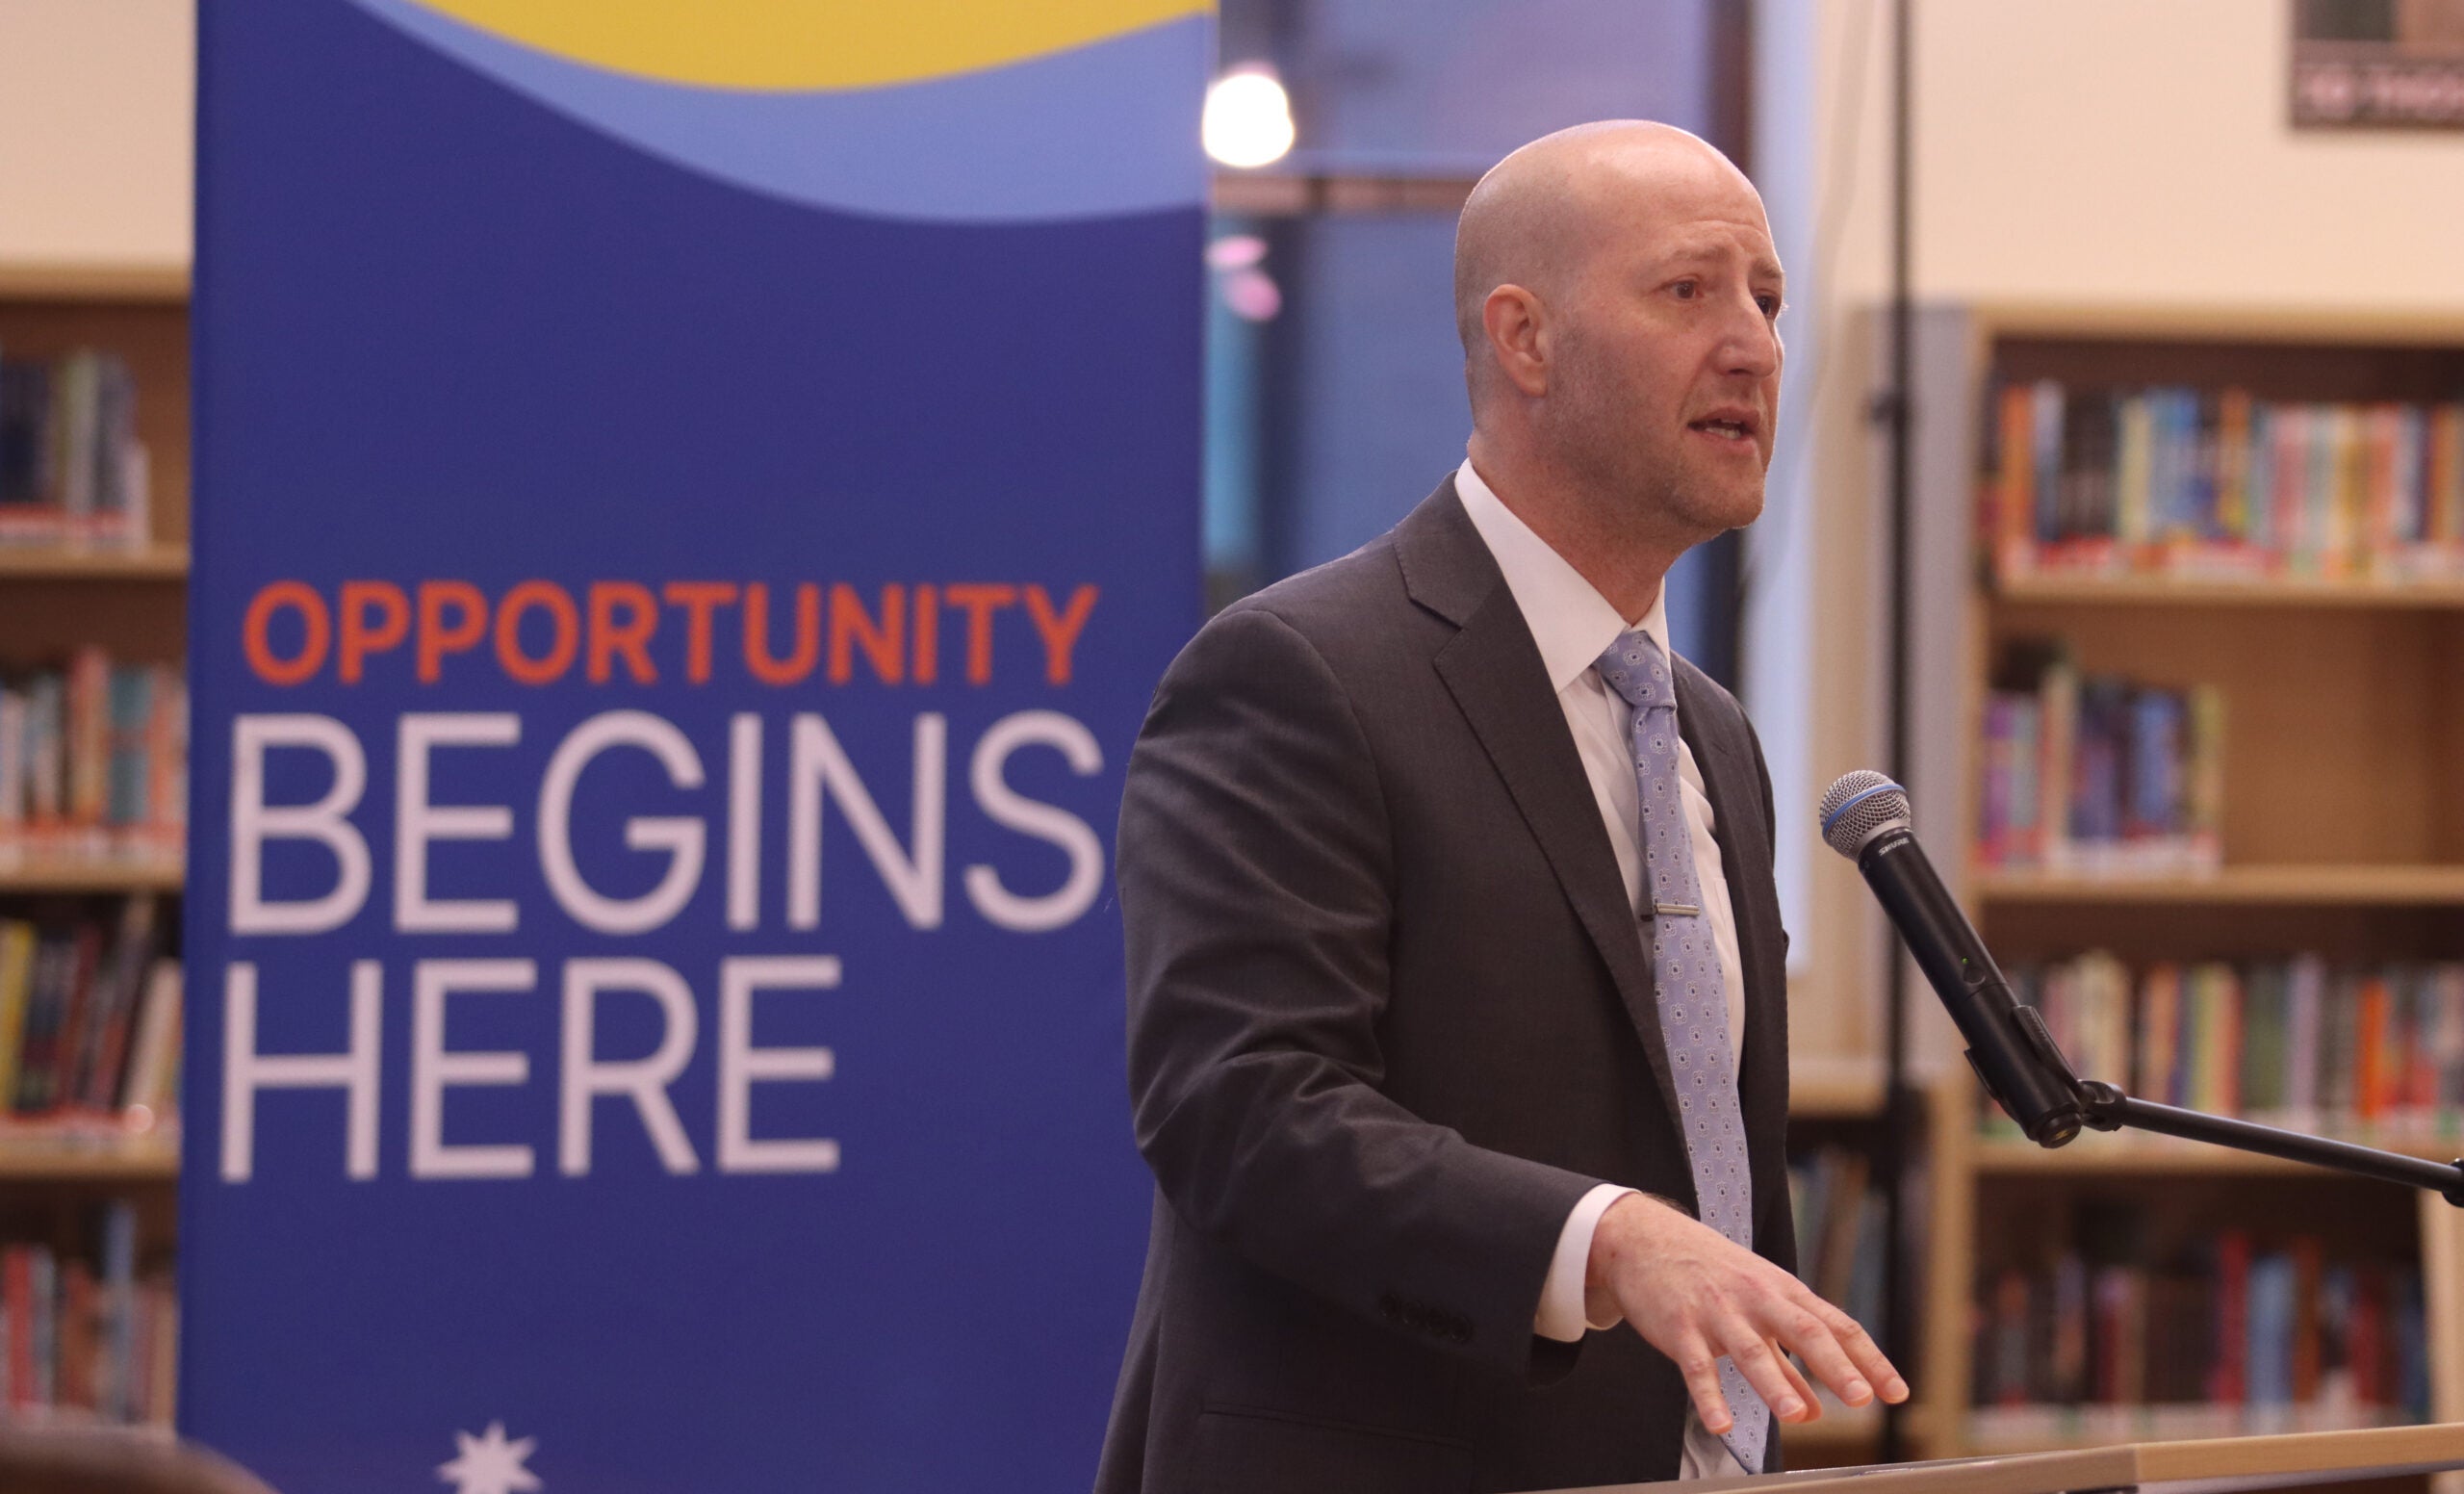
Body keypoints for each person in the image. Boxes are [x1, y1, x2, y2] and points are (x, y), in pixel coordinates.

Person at [1094, 120, 1906, 1494]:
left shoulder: (1711, 736)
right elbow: (1242, 1107)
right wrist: (1609, 1241)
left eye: (1767, 297)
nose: (1757, 345)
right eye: (1688, 290)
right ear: (1523, 340)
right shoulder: (1299, 675)